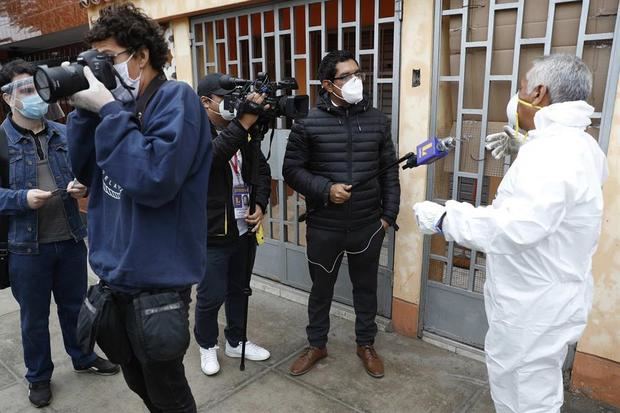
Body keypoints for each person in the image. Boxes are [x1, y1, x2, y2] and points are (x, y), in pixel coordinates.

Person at [413, 54, 607, 413]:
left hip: (532, 306)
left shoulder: (552, 154)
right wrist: (526, 148)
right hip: (544, 296)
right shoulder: (580, 146)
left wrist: (445, 218)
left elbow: (516, 228)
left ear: (538, 92)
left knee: (524, 397)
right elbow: (552, 207)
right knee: (529, 389)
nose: (516, 93)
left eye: (520, 85)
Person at [65, 4, 212, 412]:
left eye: (107, 59)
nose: (99, 72)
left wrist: (109, 111)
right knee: (135, 377)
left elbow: (153, 178)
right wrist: (84, 110)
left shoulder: (175, 100)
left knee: (167, 388)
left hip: (158, 279)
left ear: (140, 55)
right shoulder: (116, 110)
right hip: (116, 277)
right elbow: (84, 169)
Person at [0, 60, 118, 408]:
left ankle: (82, 357)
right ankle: (38, 377)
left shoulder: (64, 133)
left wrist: (85, 185)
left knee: (75, 309)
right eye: (24, 89)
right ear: (7, 98)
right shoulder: (0, 142)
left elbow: (92, 172)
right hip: (26, 249)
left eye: (37, 87)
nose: (35, 95)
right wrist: (21, 198)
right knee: (33, 319)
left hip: (69, 240)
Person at [283, 50, 400, 378]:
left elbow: (389, 172)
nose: (355, 81)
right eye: (346, 76)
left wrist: (387, 216)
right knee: (321, 289)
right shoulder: (307, 123)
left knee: (366, 288)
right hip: (324, 225)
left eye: (358, 74)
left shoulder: (377, 120)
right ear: (327, 85)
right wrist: (325, 188)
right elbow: (291, 170)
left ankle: (366, 344)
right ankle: (316, 344)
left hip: (367, 224)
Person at [194, 73, 272, 376]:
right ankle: (207, 345)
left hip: (244, 227)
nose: (235, 104)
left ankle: (236, 340)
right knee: (211, 294)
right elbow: (211, 159)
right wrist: (242, 124)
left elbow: (261, 172)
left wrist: (260, 204)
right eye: (226, 98)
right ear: (206, 101)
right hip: (212, 230)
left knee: (240, 289)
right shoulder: (196, 132)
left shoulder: (245, 132)